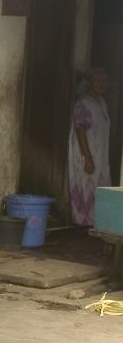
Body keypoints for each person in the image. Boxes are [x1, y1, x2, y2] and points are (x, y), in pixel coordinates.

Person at [68, 67, 111, 226]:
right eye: (98, 80)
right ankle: (83, 226)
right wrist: (87, 158)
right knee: (86, 188)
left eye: (104, 81)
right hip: (87, 155)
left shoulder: (101, 102)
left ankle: (95, 224)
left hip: (100, 156)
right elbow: (80, 130)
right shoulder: (83, 103)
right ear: (89, 83)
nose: (101, 84)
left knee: (99, 188)